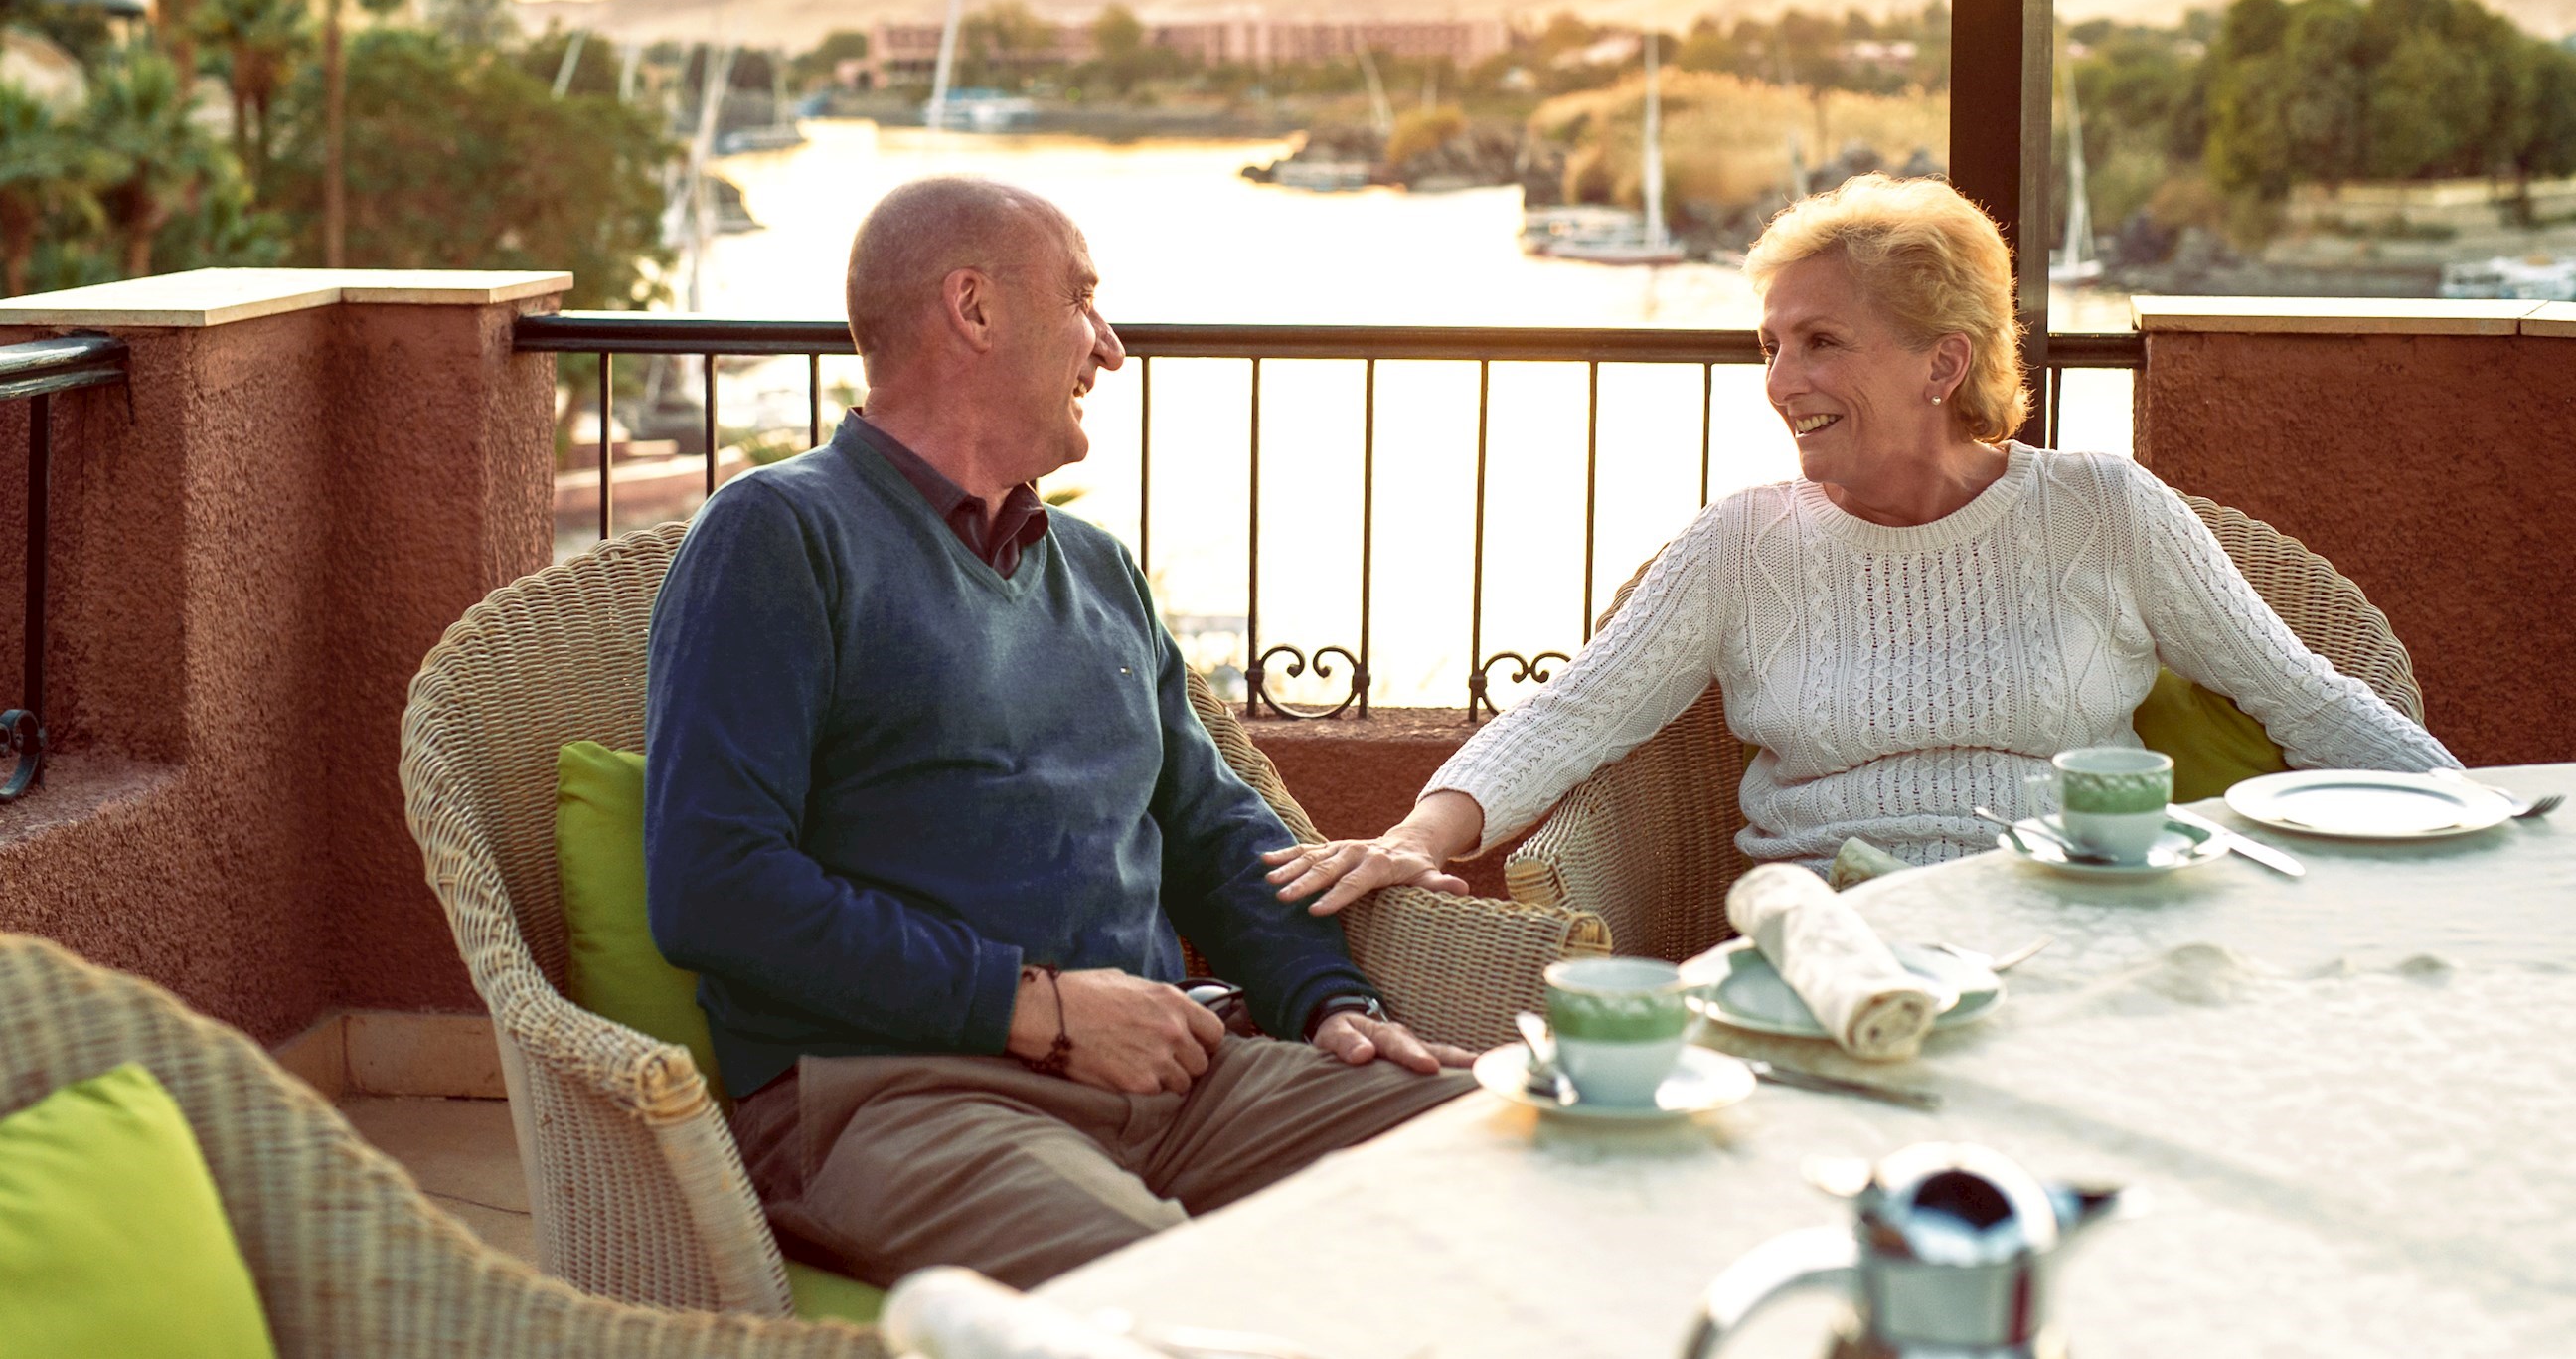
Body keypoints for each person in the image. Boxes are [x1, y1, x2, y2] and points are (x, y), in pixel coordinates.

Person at [644, 175, 1470, 1292]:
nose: (1111, 347)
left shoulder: (1094, 570)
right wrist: (1040, 1010)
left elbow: (1214, 828)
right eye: (1083, 299)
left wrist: (1330, 1004)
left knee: (1502, 1146)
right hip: (908, 1098)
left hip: (1179, 1075)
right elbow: (715, 887)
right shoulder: (779, 536)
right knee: (1171, 1303)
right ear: (974, 310)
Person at [1262, 173, 2457, 909]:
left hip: (2075, 916)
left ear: (1943, 362)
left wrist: (2479, 823)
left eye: (1821, 342)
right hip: (1835, 938)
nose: (1781, 381)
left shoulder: (2102, 509)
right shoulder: (1745, 545)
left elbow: (2301, 695)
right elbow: (1573, 715)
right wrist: (1418, 832)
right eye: (1772, 345)